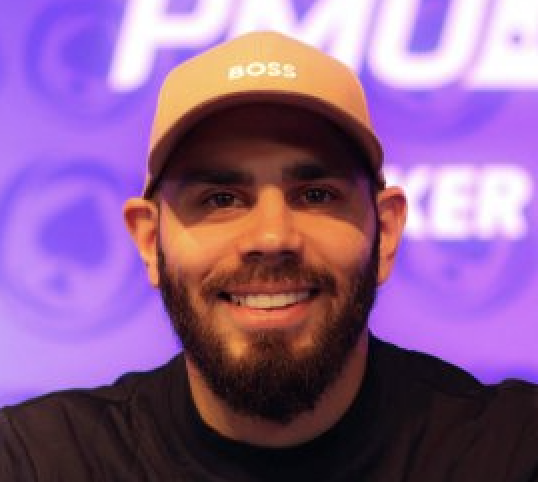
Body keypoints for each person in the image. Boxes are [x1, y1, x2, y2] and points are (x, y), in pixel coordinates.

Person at [1, 31, 537, 482]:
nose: (273, 236)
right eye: (220, 199)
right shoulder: (39, 461)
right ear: (149, 240)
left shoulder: (509, 452)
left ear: (387, 232)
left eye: (317, 195)